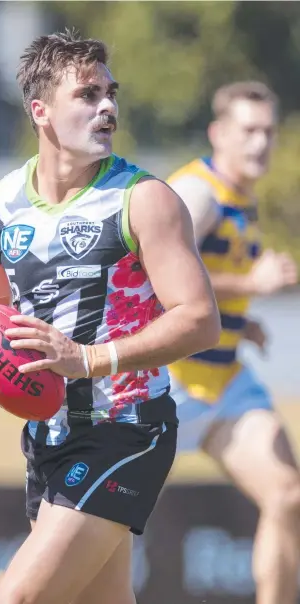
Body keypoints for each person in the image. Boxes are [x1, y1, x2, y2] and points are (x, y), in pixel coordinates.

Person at [0, 29, 220, 604]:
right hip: (48, 437)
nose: (108, 108)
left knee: (14, 599)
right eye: (88, 95)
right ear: (40, 111)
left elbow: (199, 319)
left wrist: (90, 360)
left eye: (110, 92)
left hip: (126, 429)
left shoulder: (143, 199)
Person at [167, 81, 300, 604]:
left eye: (268, 131)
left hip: (225, 383)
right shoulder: (198, 193)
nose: (260, 143)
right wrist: (252, 286)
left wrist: (242, 322)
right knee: (100, 524)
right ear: (218, 133)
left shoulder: (243, 196)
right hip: (168, 385)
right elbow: (159, 275)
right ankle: (4, 593)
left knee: (288, 494)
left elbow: (206, 280)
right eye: (248, 131)